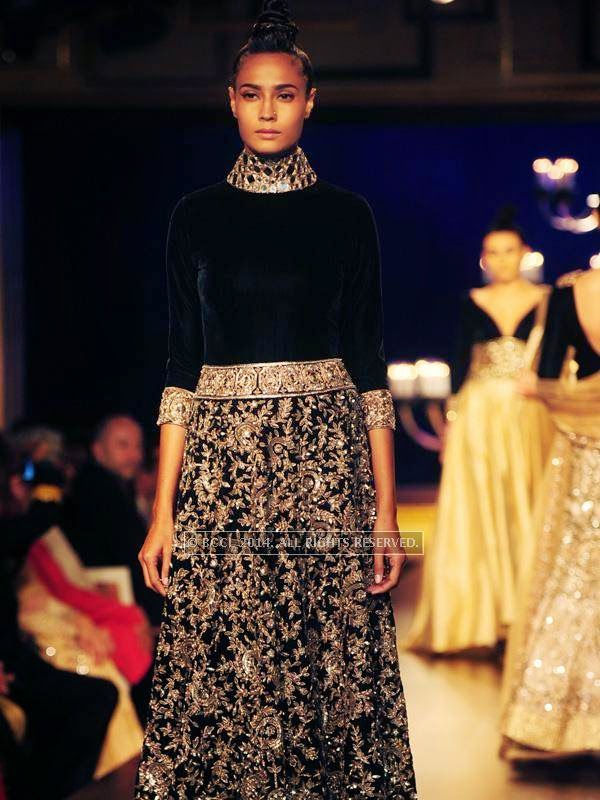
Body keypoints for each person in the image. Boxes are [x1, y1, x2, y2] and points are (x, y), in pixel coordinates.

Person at [134, 1, 418, 796]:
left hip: (327, 474)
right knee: (227, 661)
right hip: (222, 479)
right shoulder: (195, 218)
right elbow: (180, 369)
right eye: (252, 94)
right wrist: (164, 514)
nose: (267, 109)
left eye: (284, 94)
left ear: (309, 101)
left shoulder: (347, 218)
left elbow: (371, 371)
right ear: (231, 99)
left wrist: (387, 513)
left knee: (328, 661)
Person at [402, 207, 556, 655]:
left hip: (530, 412)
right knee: (480, 507)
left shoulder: (548, 299)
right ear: (484, 258)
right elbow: (457, 366)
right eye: (493, 252)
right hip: (480, 414)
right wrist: (450, 425)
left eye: (510, 251)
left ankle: (529, 614)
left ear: (524, 254)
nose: (502, 260)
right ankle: (482, 615)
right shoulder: (470, 302)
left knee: (527, 502)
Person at [499, 267, 600, 760]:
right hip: (583, 442)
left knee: (574, 571)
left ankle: (556, 714)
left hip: (582, 444)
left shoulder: (568, 294)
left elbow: (540, 380)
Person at [0, 435, 119, 799]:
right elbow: (38, 521)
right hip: (12, 663)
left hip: (14, 655)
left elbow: (29, 531)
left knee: (98, 695)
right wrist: (48, 481)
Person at [62, 413, 164, 624]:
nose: (135, 455)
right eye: (123, 445)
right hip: (106, 611)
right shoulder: (99, 491)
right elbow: (127, 555)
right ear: (98, 451)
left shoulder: (113, 487)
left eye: (138, 446)